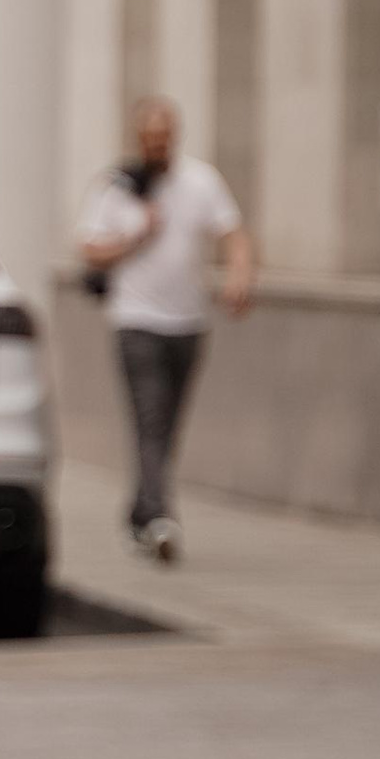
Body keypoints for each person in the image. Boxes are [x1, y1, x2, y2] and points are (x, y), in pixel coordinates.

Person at [77, 98, 253, 560]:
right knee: (150, 417)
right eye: (149, 138)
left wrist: (240, 276)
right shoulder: (116, 188)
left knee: (167, 423)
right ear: (139, 139)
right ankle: (159, 519)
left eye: (164, 137)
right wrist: (137, 235)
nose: (157, 145)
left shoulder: (200, 181)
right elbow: (89, 250)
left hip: (188, 322)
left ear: (174, 136)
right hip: (136, 321)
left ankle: (140, 511)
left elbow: (234, 233)